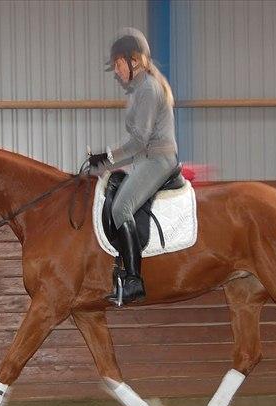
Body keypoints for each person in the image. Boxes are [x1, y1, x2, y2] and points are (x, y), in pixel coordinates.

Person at [88, 27, 179, 304]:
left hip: (157, 159)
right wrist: (106, 161)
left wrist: (108, 157)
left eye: (118, 64)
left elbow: (139, 140)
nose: (116, 71)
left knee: (121, 207)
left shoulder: (149, 89)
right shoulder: (139, 90)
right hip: (144, 159)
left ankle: (133, 280)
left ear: (135, 61)